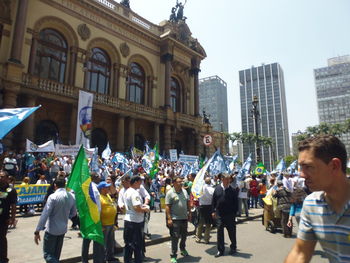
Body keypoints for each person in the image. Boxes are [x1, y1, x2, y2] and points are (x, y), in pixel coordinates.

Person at [285, 135, 350, 263]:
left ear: (334, 166)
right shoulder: (311, 204)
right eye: (301, 167)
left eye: (308, 167)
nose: (302, 175)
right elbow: (300, 253)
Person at [34, 176, 76, 263]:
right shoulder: (71, 196)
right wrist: (65, 214)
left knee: (48, 255)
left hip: (52, 229)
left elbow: (45, 214)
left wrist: (37, 230)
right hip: (63, 229)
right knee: (56, 255)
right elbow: (73, 214)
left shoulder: (53, 197)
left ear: (55, 185)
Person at [212, 173, 239, 258]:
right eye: (226, 179)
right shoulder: (217, 189)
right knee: (219, 232)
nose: (228, 181)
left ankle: (233, 247)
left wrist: (235, 214)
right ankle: (220, 250)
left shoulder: (232, 190)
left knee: (231, 232)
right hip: (220, 214)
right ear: (222, 179)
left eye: (229, 179)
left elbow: (236, 203)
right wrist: (213, 211)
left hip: (230, 215)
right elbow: (213, 201)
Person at [123, 175, 149, 263]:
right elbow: (137, 208)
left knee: (128, 244)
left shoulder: (127, 191)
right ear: (135, 182)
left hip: (129, 220)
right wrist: (145, 209)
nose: (141, 184)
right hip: (135, 221)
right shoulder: (134, 193)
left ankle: (127, 260)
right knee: (137, 244)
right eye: (139, 182)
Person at [165, 176, 191, 263]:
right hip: (175, 219)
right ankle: (173, 255)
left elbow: (187, 202)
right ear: (174, 183)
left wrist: (190, 213)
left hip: (184, 217)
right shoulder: (170, 193)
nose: (181, 183)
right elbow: (167, 207)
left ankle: (183, 249)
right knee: (175, 237)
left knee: (184, 236)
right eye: (179, 182)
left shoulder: (184, 191)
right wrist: (169, 219)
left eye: (182, 182)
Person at [98, 181, 119, 263]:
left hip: (111, 223)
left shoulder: (107, 196)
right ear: (102, 189)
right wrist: (100, 224)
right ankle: (103, 258)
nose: (108, 188)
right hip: (104, 224)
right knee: (104, 243)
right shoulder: (99, 198)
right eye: (106, 187)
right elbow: (98, 211)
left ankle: (110, 256)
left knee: (110, 242)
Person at [0, 170, 17, 263]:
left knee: (2, 238)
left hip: (3, 219)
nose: (0, 178)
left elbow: (13, 205)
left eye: (2, 176)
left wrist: (12, 218)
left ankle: (3, 259)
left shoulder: (11, 190)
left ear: (7, 178)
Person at [196, 177, 214, 244]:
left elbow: (197, 196)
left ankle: (198, 237)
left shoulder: (201, 189)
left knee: (200, 223)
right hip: (209, 207)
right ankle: (206, 239)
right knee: (208, 224)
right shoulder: (212, 189)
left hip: (202, 207)